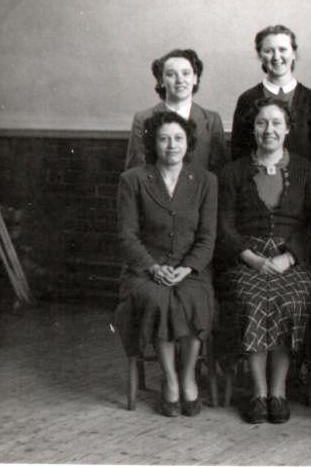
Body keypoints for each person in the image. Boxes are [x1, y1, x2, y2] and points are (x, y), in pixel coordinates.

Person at [217, 97, 311, 424]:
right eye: (262, 123)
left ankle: (279, 391)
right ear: (253, 129)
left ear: (288, 128)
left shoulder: (306, 170)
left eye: (276, 123)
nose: (269, 130)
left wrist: (290, 257)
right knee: (252, 300)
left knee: (291, 300)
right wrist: (251, 258)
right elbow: (224, 225)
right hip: (247, 258)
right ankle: (259, 393)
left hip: (292, 260)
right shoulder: (233, 172)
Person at [114, 111, 218, 417]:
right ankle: (170, 380)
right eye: (163, 138)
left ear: (189, 142)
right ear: (152, 142)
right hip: (144, 270)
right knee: (159, 300)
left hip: (191, 269)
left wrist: (186, 268)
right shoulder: (132, 180)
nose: (171, 145)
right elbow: (127, 236)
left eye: (178, 138)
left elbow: (208, 237)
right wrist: (154, 268)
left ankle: (188, 377)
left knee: (192, 297)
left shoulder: (205, 181)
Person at [230, 25, 311, 166]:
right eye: (268, 51)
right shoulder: (247, 100)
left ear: (294, 54)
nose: (276, 57)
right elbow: (238, 153)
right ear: (260, 56)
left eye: (283, 49)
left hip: (302, 183)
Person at [125, 48, 228, 172]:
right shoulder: (143, 119)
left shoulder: (211, 120)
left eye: (186, 73)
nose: (180, 80)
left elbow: (220, 171)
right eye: (171, 74)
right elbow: (135, 171)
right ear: (161, 81)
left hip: (201, 191)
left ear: (195, 78)